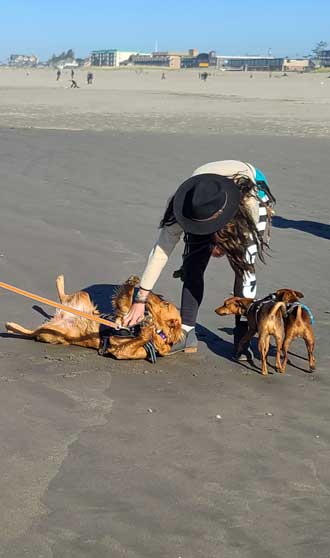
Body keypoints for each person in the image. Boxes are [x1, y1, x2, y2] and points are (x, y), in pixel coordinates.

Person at [123, 161, 276, 359]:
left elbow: (247, 269)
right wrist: (140, 299)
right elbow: (160, 251)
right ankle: (186, 332)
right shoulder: (188, 204)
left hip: (250, 192)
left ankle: (242, 334)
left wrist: (222, 244)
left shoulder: (250, 205)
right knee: (192, 265)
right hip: (206, 201)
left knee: (243, 266)